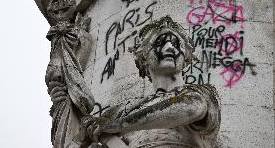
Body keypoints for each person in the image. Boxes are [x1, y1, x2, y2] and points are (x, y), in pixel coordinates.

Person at [82, 16, 220, 148]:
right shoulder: (122, 111)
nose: (170, 47)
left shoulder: (201, 94)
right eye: (160, 43)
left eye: (176, 43)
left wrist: (117, 126)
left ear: (185, 58)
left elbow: (191, 108)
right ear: (144, 57)